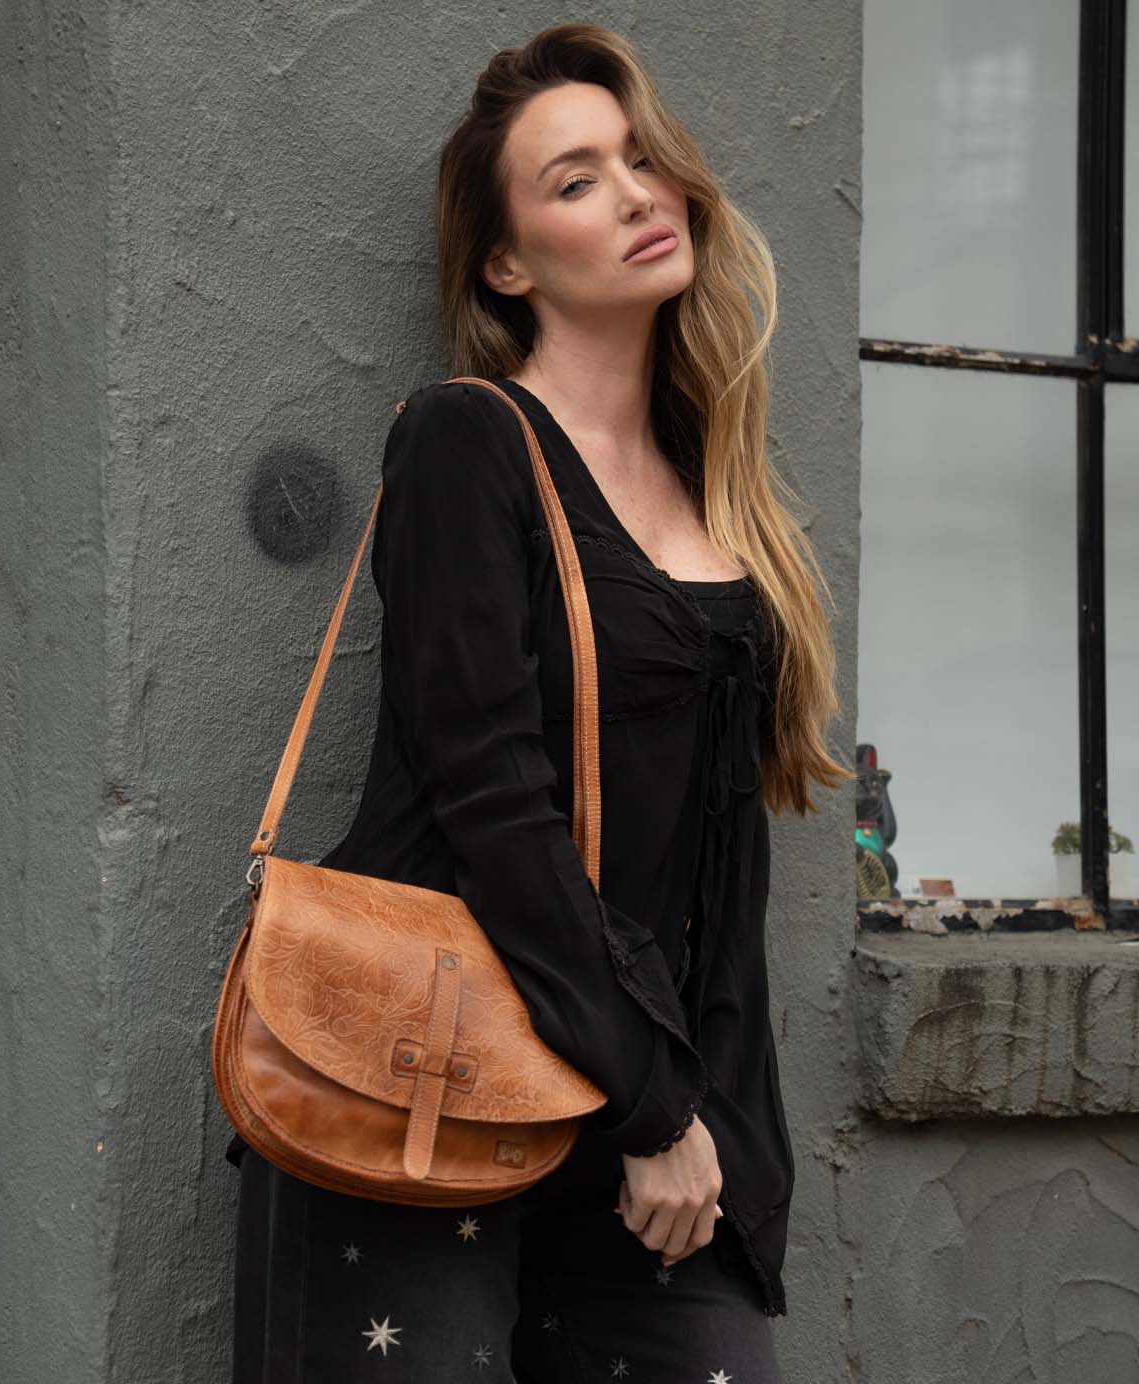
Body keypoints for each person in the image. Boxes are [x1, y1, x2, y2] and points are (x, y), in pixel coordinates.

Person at [225, 22, 851, 1383]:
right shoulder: (465, 441)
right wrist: (654, 1100)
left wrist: (726, 1142)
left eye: (642, 159)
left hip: (661, 1138)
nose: (634, 193)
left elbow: (716, 884)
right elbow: (493, 803)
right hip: (432, 1094)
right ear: (506, 262)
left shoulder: (724, 504)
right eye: (574, 180)